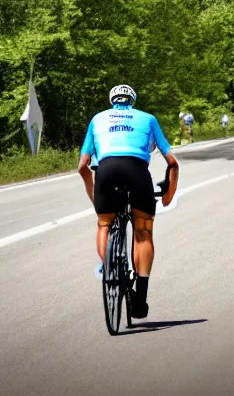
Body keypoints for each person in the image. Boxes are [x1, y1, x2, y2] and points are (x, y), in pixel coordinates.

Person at [77, 83, 177, 320]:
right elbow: (172, 162)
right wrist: (168, 194)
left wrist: (96, 201)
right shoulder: (148, 118)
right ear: (133, 100)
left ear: (112, 100)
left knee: (104, 224)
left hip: (106, 171)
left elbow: (83, 166)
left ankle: (111, 270)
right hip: (137, 172)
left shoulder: (97, 119)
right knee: (142, 230)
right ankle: (140, 300)